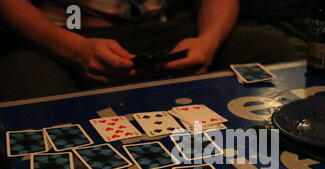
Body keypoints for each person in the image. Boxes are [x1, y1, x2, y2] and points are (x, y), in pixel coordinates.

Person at [0, 0, 300, 101]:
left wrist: (207, 42)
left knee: (270, 49)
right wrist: (76, 50)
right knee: (24, 80)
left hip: (158, 30)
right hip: (64, 31)